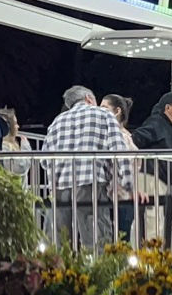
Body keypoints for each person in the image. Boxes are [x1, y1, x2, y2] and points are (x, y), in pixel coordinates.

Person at [44, 86, 132, 249]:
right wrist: (127, 185)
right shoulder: (104, 114)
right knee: (96, 242)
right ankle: (98, 273)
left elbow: (44, 160)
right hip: (91, 183)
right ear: (89, 99)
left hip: (60, 187)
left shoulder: (57, 122)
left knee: (59, 245)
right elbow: (119, 151)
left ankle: (60, 274)